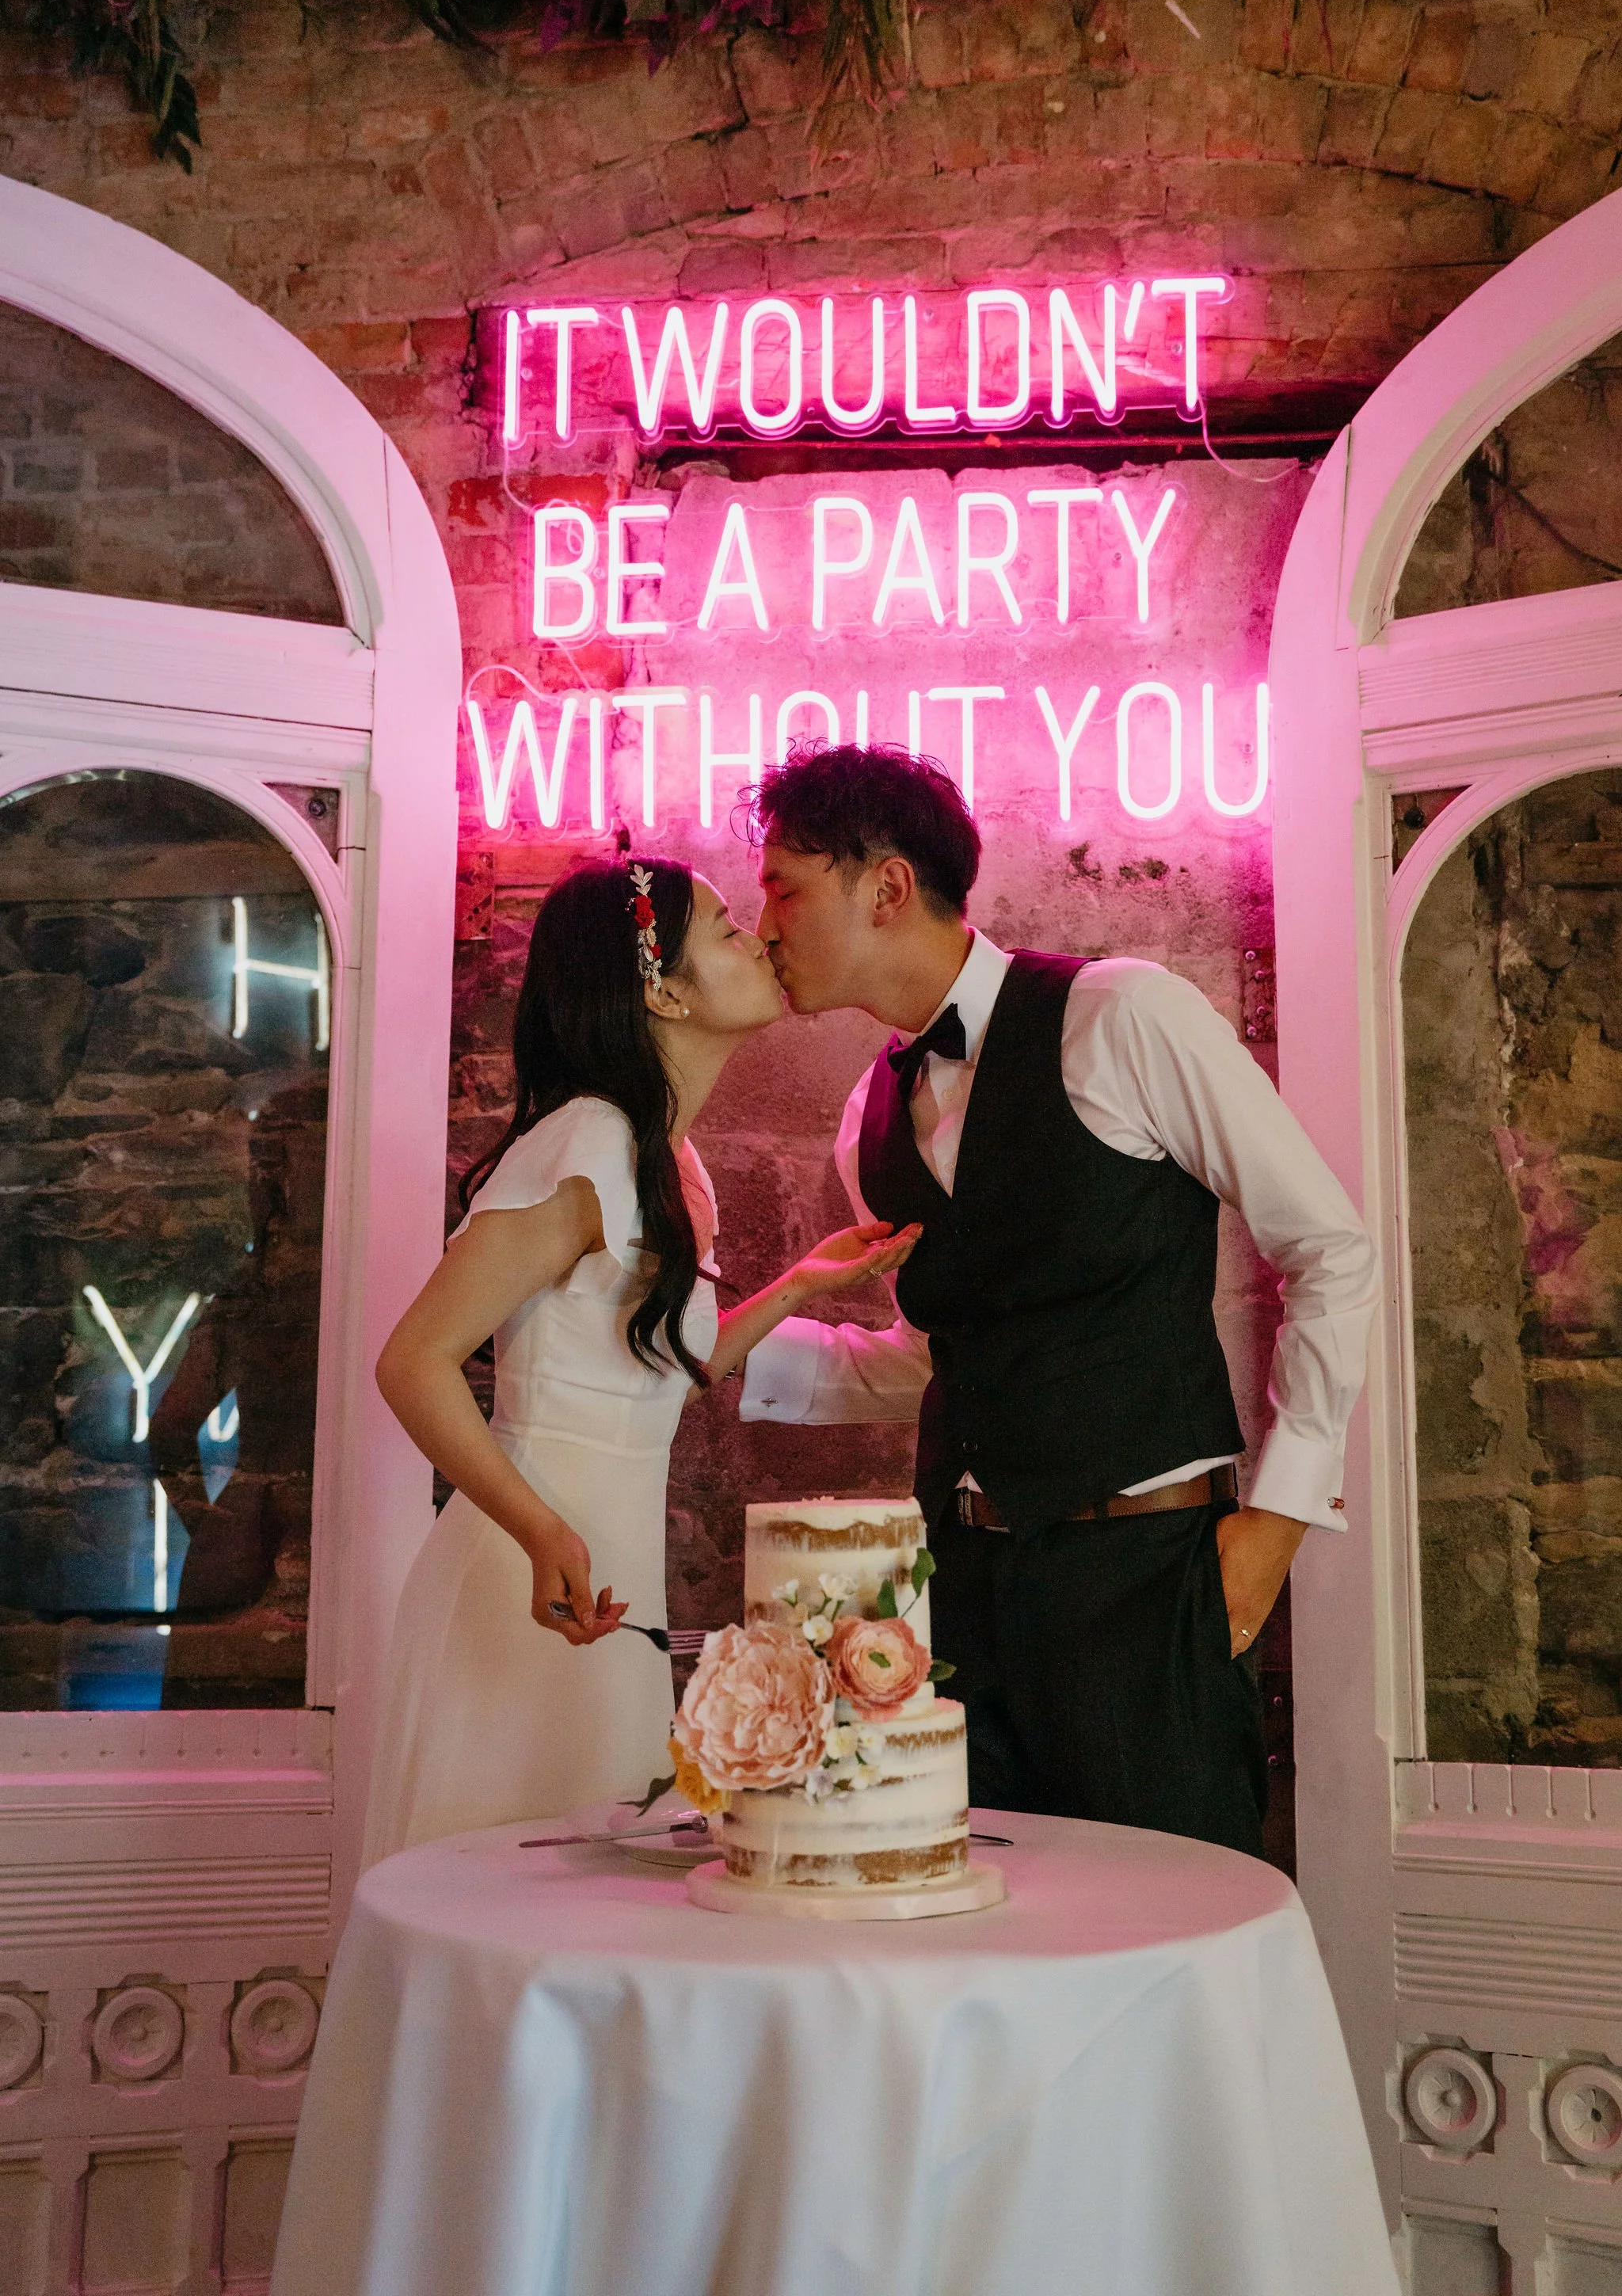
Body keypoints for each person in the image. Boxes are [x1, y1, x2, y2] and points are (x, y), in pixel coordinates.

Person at [738, 747, 1378, 1859]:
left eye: (784, 887)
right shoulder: (867, 1118)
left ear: (887, 888)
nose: (764, 924)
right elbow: (941, 1358)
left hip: (1142, 1580)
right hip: (963, 1594)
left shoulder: (1123, 1016)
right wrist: (707, 1354)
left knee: (1172, 1940)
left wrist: (1275, 1528)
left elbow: (1328, 1248)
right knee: (986, 1949)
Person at [361, 857, 919, 1864]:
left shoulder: (665, 1158)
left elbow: (664, 1364)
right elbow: (414, 1362)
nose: (755, 935)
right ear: (660, 988)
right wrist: (539, 1532)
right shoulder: (586, 1142)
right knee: (515, 1901)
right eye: (722, 927)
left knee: (588, 1899)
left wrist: (796, 1285)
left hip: (601, 1571)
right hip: (530, 1571)